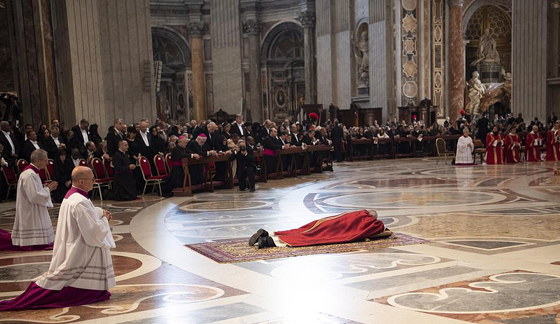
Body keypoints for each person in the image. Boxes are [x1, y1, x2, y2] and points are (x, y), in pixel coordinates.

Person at [0, 167, 115, 311]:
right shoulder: (80, 201)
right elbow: (93, 233)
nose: (94, 181)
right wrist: (105, 220)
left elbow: (85, 217)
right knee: (66, 285)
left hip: (73, 242)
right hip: (80, 250)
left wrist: (98, 212)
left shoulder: (73, 196)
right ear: (81, 181)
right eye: (92, 179)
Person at [0, 149, 58, 251]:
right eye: (45, 160)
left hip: (31, 207)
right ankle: (34, 242)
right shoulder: (29, 174)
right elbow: (34, 196)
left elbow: (34, 191)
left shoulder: (32, 173)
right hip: (30, 209)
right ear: (38, 160)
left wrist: (44, 188)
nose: (47, 163)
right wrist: (48, 189)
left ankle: (39, 241)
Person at [248, 209, 391, 249]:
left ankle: (269, 233)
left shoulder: (358, 212)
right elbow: (379, 228)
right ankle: (267, 241)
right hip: (334, 230)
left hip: (326, 222)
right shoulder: (368, 220)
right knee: (309, 237)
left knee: (302, 230)